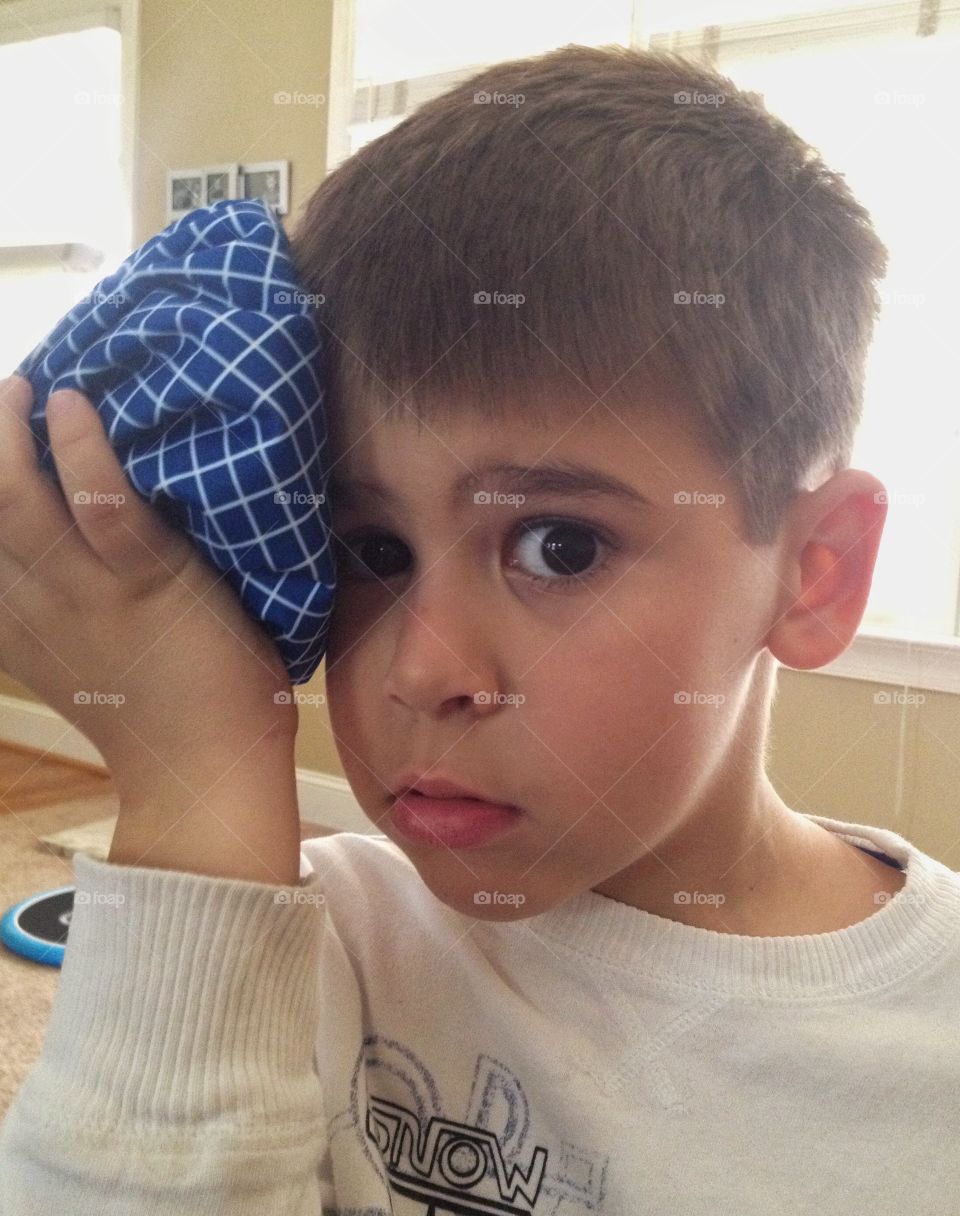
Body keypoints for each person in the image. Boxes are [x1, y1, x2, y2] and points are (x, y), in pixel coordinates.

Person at [0, 43, 958, 1214]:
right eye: (372, 552)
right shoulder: (291, 939)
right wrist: (192, 786)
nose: (423, 668)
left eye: (559, 545)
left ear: (817, 571)